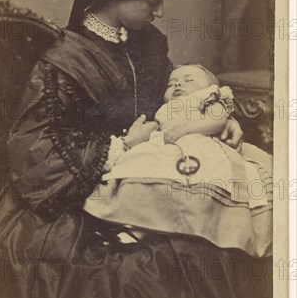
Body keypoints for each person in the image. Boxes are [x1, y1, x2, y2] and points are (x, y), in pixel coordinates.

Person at [0, 0, 271, 298]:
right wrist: (120, 145)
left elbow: (176, 98)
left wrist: (220, 117)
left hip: (154, 170)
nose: (159, 12)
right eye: (153, 2)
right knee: (144, 273)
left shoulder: (149, 44)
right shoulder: (65, 61)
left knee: (219, 236)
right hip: (72, 196)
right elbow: (33, 151)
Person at [84, 64, 273, 259]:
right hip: (162, 149)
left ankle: (200, 230)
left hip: (200, 147)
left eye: (189, 80)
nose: (178, 85)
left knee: (199, 186)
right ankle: (135, 228)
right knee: (144, 177)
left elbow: (217, 121)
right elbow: (156, 127)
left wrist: (186, 130)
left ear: (211, 88)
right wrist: (137, 137)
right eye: (171, 83)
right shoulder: (165, 109)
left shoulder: (208, 99)